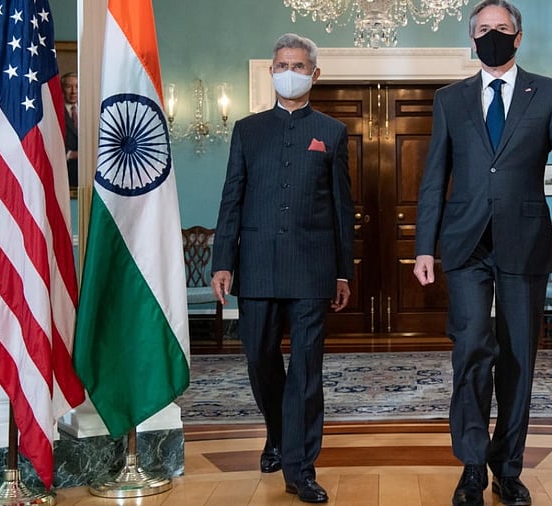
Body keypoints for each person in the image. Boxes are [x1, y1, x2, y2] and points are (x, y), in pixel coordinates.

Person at [413, 2, 552, 505]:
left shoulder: (550, 94)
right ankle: (472, 466)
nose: (491, 35)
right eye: (483, 29)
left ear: (518, 37)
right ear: (472, 39)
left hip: (524, 240)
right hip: (466, 243)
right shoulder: (450, 99)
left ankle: (507, 467)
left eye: (501, 28)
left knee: (517, 357)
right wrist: (424, 247)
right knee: (471, 347)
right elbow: (434, 177)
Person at [210, 33, 354, 504]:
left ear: (314, 73)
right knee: (260, 360)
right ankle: (278, 431)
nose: (289, 72)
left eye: (298, 65)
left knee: (307, 369)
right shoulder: (247, 130)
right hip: (256, 266)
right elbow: (232, 198)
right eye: (282, 65)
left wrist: (343, 272)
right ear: (272, 72)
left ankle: (300, 467)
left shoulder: (332, 132)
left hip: (313, 270)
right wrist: (222, 261)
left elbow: (341, 207)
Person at [61, 72, 79, 187]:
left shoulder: (90, 109)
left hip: (87, 171)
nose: (74, 91)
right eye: (69, 87)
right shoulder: (55, 112)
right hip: (65, 171)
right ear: (62, 89)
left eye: (77, 86)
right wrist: (70, 154)